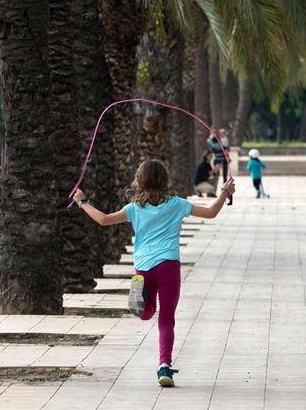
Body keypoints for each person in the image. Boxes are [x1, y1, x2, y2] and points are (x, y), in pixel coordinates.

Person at [72, 159, 236, 387]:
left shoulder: (134, 208)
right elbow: (210, 212)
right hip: (169, 265)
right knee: (166, 319)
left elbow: (103, 220)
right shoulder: (177, 204)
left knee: (148, 313)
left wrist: (82, 202)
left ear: (139, 180)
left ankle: (143, 304)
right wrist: (225, 192)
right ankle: (164, 367)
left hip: (144, 267)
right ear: (165, 180)